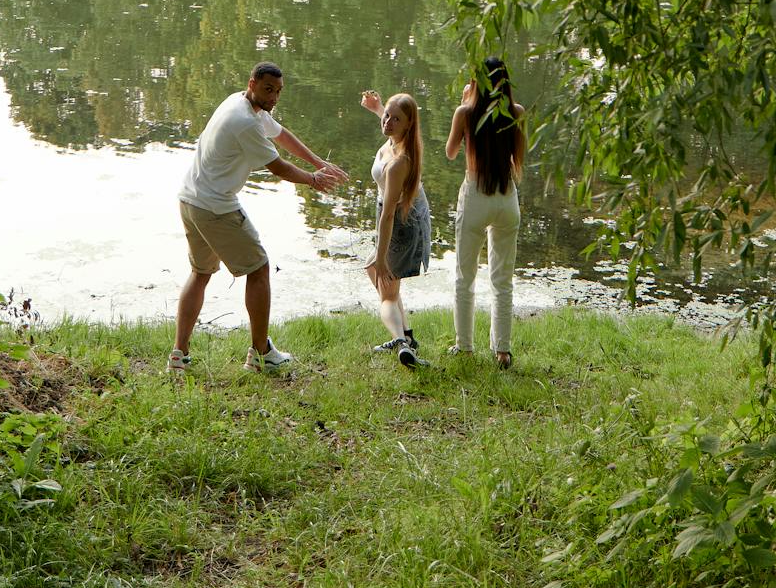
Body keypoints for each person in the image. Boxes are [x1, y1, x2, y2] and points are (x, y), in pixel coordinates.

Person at [170, 61, 349, 376]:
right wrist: (314, 179)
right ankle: (261, 354)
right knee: (259, 269)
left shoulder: (240, 104)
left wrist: (320, 162)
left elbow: (281, 135)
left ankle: (178, 355)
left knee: (200, 273)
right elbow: (278, 167)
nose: (274, 98)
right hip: (215, 207)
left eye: (278, 92)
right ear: (252, 83)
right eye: (268, 90)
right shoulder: (245, 123)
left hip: (190, 200)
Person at [445, 57, 526, 368]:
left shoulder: (466, 113)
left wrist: (465, 104)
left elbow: (451, 153)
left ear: (476, 81)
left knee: (465, 277)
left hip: (476, 194)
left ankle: (465, 346)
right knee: (503, 279)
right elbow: (517, 157)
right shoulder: (516, 112)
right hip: (507, 197)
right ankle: (502, 350)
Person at [360, 88, 431, 368]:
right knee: (376, 273)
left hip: (401, 223)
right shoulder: (396, 139)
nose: (387, 122)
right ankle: (407, 336)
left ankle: (402, 344)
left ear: (409, 124)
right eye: (386, 116)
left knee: (386, 287)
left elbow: (388, 215)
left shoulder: (399, 163)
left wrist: (381, 254)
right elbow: (393, 122)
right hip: (395, 216)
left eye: (394, 119)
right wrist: (378, 108)